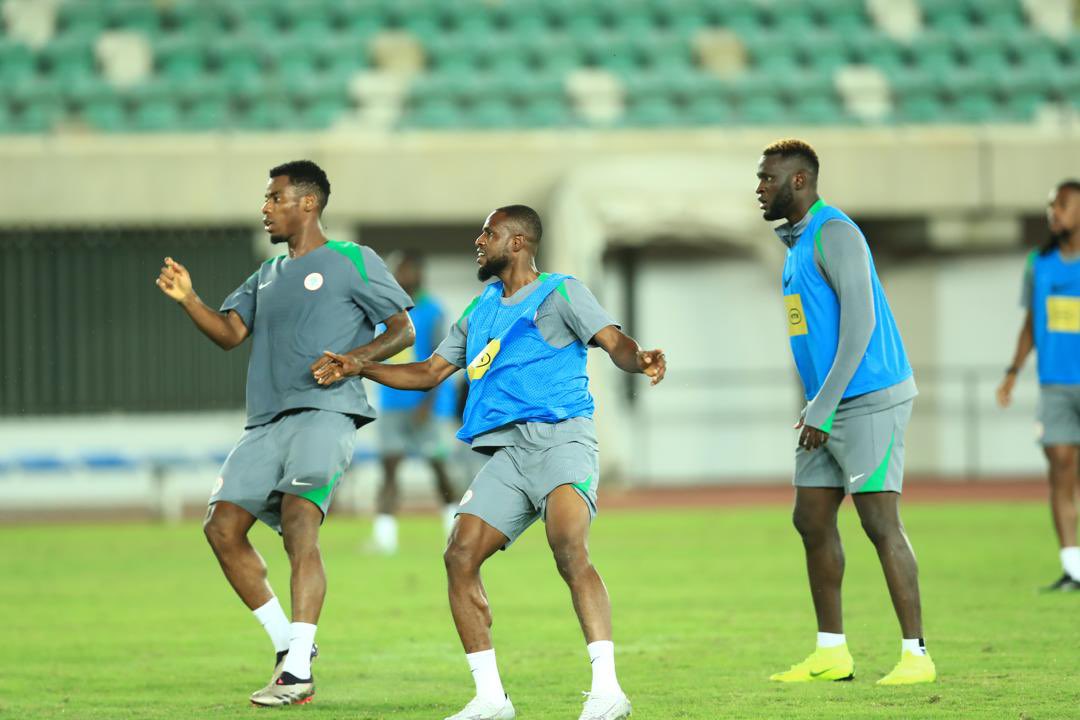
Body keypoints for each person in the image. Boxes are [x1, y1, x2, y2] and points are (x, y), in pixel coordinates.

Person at [313, 204, 666, 720]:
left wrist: (641, 359)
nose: (479, 242)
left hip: (563, 440)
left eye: (490, 234)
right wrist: (361, 365)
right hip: (510, 454)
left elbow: (613, 342)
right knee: (459, 555)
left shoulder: (562, 292)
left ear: (519, 243)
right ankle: (490, 699)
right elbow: (430, 372)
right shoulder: (480, 309)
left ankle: (608, 691)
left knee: (568, 546)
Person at [155, 160, 414, 706]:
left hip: (326, 412)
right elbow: (229, 334)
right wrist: (188, 300)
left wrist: (354, 360)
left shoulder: (351, 261)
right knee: (221, 527)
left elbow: (401, 329)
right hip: (265, 422)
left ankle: (298, 671)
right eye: (266, 198)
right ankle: (288, 648)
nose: (265, 207)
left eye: (274, 197)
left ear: (308, 203)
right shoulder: (266, 274)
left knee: (300, 523)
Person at [755, 139, 935, 685]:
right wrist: (817, 406)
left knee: (880, 523)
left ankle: (916, 655)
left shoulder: (835, 233)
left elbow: (861, 327)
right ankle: (832, 653)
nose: (759, 187)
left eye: (767, 178)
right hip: (826, 408)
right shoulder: (795, 245)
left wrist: (823, 406)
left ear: (800, 182)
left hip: (869, 398)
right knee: (810, 518)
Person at [997, 179, 1080, 591]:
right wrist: (1012, 371)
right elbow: (1031, 323)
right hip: (1055, 386)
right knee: (1062, 469)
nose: (1055, 213)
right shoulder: (1038, 263)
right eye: (1052, 206)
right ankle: (1073, 569)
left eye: (1063, 204)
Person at [372, 251, 460, 553]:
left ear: (419, 273)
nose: (400, 275)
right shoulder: (385, 310)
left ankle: (455, 530)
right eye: (397, 270)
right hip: (392, 402)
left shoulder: (433, 311)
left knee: (438, 467)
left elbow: (442, 357)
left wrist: (428, 402)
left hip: (426, 405)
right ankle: (385, 538)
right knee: (389, 467)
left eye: (405, 270)